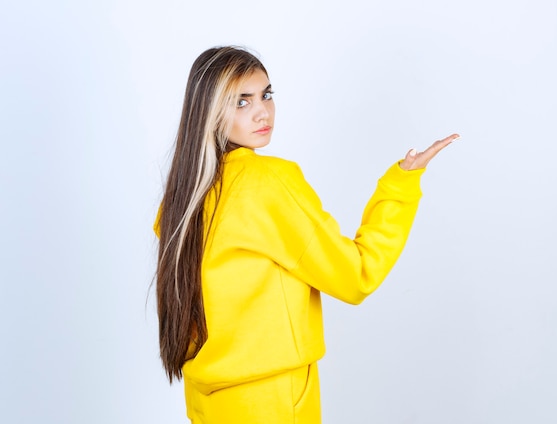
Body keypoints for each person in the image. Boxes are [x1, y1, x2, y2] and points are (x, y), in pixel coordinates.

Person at [154, 46, 459, 424]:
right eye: (241, 102)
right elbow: (356, 276)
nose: (263, 111)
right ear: (210, 112)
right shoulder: (268, 182)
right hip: (272, 400)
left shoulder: (181, 199)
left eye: (266, 94)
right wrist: (401, 183)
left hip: (207, 401)